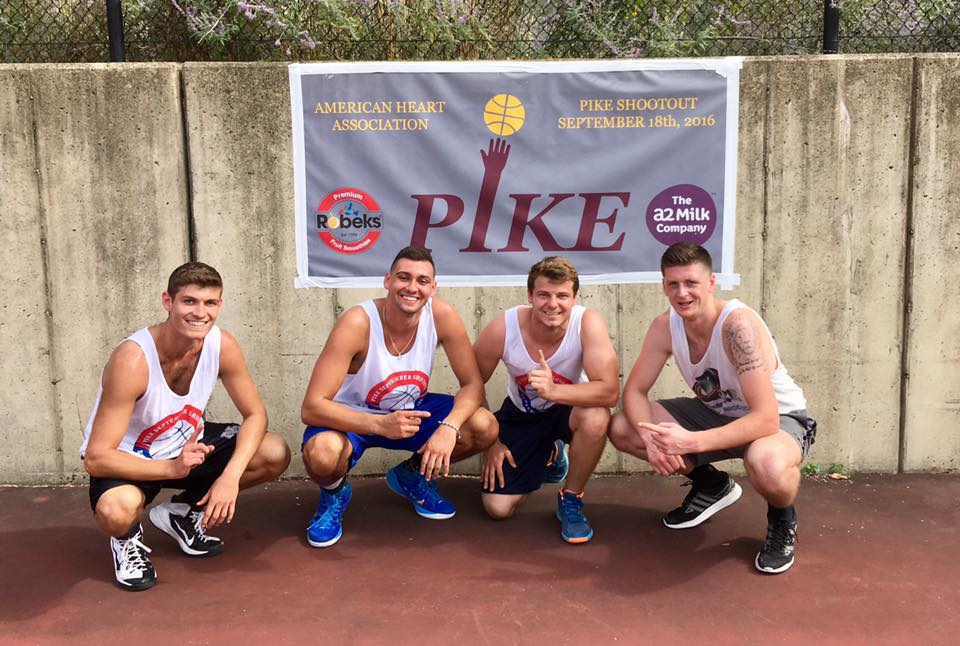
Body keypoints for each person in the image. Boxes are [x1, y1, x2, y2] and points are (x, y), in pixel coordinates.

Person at [81, 262, 291, 591]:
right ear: (168, 302)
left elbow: (256, 415)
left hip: (185, 449)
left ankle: (181, 513)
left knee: (273, 452)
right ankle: (126, 541)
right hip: (130, 461)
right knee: (116, 511)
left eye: (209, 303)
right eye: (189, 301)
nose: (200, 313)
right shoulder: (133, 360)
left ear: (219, 305)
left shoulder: (222, 345)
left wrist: (230, 478)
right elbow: (96, 458)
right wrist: (171, 469)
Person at [610, 242, 817, 574]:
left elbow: (764, 419)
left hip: (779, 420)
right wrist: (651, 440)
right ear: (664, 286)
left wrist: (689, 443)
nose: (682, 293)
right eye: (673, 284)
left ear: (711, 283)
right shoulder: (665, 327)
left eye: (691, 283)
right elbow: (634, 391)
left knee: (765, 464)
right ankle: (711, 485)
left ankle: (782, 518)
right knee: (624, 427)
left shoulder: (737, 327)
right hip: (718, 415)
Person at [300, 246, 497, 547]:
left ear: (433, 287)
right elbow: (312, 407)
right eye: (403, 278)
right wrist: (378, 425)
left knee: (484, 425)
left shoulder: (441, 315)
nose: (412, 287)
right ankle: (334, 493)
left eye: (422, 280)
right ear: (388, 280)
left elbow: (472, 385)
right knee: (322, 454)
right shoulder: (358, 322)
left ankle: (412, 475)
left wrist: (449, 427)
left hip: (411, 412)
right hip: (354, 417)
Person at [474, 256, 619, 543]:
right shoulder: (504, 327)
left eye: (562, 295)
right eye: (543, 295)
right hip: (522, 414)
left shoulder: (586, 323)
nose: (553, 304)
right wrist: (490, 441)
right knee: (497, 508)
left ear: (574, 298)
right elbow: (471, 383)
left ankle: (571, 498)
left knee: (597, 416)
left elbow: (609, 391)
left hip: (569, 408)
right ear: (530, 296)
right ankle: (549, 457)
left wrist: (554, 391)